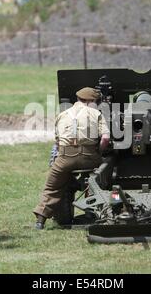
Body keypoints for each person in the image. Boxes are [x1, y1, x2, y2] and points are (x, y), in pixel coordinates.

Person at [33, 87, 110, 229]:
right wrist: (99, 153)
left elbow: (57, 142)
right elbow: (105, 138)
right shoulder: (96, 113)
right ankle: (98, 209)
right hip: (90, 157)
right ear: (90, 101)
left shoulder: (62, 115)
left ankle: (40, 220)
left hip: (65, 157)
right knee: (108, 166)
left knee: (52, 187)